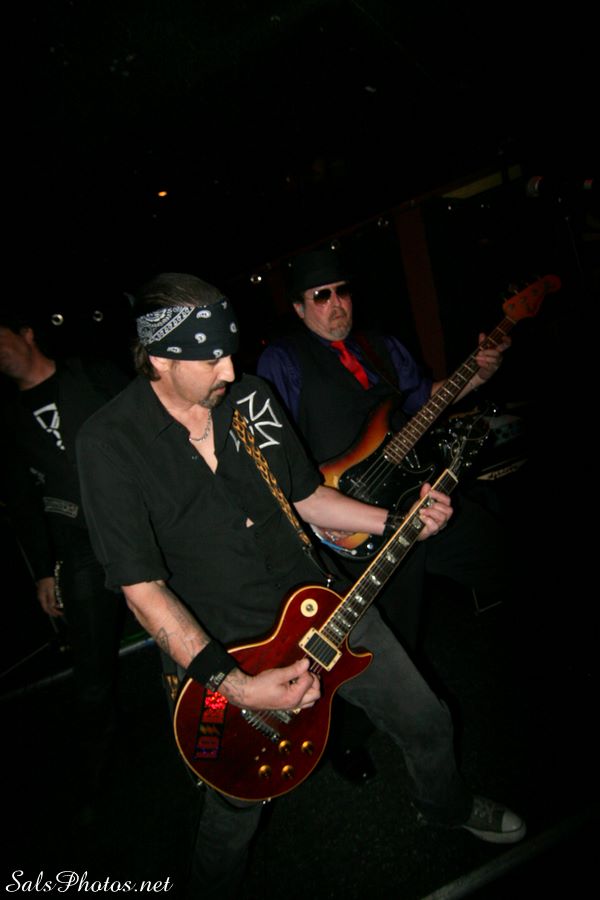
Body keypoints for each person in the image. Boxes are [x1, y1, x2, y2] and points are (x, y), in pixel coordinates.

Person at [76, 272, 525, 899]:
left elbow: (308, 497)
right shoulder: (108, 443)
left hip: (321, 603)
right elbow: (141, 590)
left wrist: (399, 522)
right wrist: (236, 684)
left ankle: (445, 806)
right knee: (235, 801)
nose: (230, 370)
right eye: (210, 359)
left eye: (230, 352)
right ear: (158, 357)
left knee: (426, 718)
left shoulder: (250, 399)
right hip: (224, 646)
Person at [257, 248, 513, 781]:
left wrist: (477, 375)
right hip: (352, 524)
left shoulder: (381, 346)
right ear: (299, 308)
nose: (336, 304)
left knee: (495, 548)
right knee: (384, 644)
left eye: (342, 291)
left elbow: (423, 400)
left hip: (416, 497)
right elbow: (277, 453)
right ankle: (343, 739)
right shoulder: (282, 361)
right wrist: (310, 511)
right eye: (320, 296)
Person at [0, 310, 131, 803]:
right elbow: (22, 502)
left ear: (26, 333)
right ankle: (95, 775)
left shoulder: (90, 373)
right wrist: (41, 572)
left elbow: (146, 422)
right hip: (78, 545)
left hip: (136, 520)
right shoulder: (9, 421)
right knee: (91, 669)